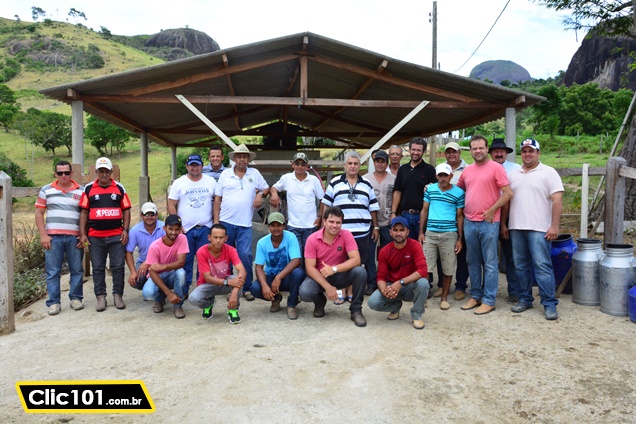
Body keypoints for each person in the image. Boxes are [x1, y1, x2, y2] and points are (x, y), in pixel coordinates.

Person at [508, 139, 564, 320]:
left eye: (531, 151)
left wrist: (554, 225)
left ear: (538, 153)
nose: (527, 154)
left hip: (539, 228)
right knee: (520, 266)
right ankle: (525, 298)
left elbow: (557, 200)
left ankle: (549, 303)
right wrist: (503, 223)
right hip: (516, 226)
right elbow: (506, 201)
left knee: (542, 266)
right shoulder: (513, 173)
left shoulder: (549, 172)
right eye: (524, 151)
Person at [456, 136, 512, 315]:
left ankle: (489, 299)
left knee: (490, 263)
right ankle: (475, 295)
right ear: (470, 151)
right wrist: (432, 186)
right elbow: (458, 191)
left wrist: (492, 209)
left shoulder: (496, 168)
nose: (478, 151)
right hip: (470, 222)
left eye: (481, 148)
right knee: (472, 261)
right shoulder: (467, 171)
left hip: (489, 222)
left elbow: (508, 193)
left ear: (487, 149)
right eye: (474, 148)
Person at [321, 150, 379, 300]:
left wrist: (376, 227)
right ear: (344, 165)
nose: (353, 166)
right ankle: (341, 292)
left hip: (362, 231)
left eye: (356, 164)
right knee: (339, 262)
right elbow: (326, 204)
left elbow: (372, 208)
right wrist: (324, 224)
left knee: (357, 263)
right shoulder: (334, 182)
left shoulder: (367, 184)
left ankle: (352, 291)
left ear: (360, 166)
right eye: (350, 163)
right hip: (339, 232)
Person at [214, 144, 269, 301]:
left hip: (245, 224)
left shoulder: (254, 173)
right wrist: (216, 222)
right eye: (239, 156)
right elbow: (217, 198)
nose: (242, 159)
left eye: (244, 157)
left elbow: (266, 188)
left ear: (248, 159)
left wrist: (259, 195)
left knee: (245, 255)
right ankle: (229, 287)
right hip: (225, 222)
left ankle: (246, 287)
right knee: (225, 256)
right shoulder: (225, 174)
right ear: (234, 159)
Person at [299, 206, 368, 327]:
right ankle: (320, 302)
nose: (334, 225)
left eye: (338, 222)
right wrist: (328, 287)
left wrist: (334, 269)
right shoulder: (312, 239)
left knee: (360, 272)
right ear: (324, 221)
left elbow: (356, 259)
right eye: (331, 221)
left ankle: (356, 310)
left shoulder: (346, 235)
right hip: (320, 275)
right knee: (305, 292)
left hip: (339, 274)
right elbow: (310, 267)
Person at [79, 157, 131, 312]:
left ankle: (118, 295)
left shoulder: (120, 188)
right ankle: (100, 297)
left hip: (116, 235)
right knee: (98, 268)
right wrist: (83, 234)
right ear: (96, 172)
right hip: (95, 236)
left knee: (118, 266)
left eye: (106, 171)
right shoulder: (88, 189)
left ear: (111, 172)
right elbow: (84, 212)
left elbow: (126, 210)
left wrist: (125, 230)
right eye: (101, 171)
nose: (104, 174)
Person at [35, 160, 85, 315]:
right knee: (53, 271)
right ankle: (54, 302)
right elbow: (39, 213)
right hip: (53, 237)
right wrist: (43, 235)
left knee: (77, 269)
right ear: (55, 174)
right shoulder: (46, 190)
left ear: (71, 173)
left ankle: (76, 298)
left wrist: (83, 235)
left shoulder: (81, 191)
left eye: (67, 172)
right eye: (60, 173)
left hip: (74, 237)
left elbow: (85, 214)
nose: (64, 175)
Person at [368, 216, 430, 329]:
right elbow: (380, 277)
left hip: (409, 287)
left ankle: (416, 315)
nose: (399, 233)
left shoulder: (415, 245)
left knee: (423, 283)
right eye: (395, 230)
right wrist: (384, 290)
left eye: (402, 230)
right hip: (392, 287)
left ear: (408, 232)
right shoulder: (384, 251)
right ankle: (395, 307)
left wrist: (400, 282)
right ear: (390, 232)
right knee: (373, 302)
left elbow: (423, 270)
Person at [167, 153, 216, 298]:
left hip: (205, 227)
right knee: (185, 261)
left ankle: (202, 289)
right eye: (192, 165)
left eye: (198, 165)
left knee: (204, 261)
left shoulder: (211, 181)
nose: (195, 168)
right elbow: (171, 204)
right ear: (187, 166)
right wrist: (177, 226)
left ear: (202, 166)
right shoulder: (179, 182)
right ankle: (184, 290)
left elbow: (218, 201)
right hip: (185, 230)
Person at [418, 163, 464, 310]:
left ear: (451, 176)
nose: (443, 178)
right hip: (431, 233)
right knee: (425, 267)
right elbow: (424, 211)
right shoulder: (430, 190)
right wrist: (421, 232)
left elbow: (460, 216)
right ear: (436, 176)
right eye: (440, 175)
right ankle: (423, 297)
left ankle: (444, 297)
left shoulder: (459, 192)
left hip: (449, 234)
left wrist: (459, 238)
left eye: (446, 175)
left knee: (448, 267)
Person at [250, 212, 305, 320]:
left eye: (279, 225)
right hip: (271, 275)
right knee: (255, 288)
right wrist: (265, 286)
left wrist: (278, 277)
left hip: (287, 276)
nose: (276, 228)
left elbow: (296, 260)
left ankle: (292, 305)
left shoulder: (290, 237)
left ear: (284, 226)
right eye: (273, 225)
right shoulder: (262, 242)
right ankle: (276, 298)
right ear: (268, 226)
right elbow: (258, 267)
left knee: (298, 273)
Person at [189, 224, 247, 324]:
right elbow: (207, 278)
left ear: (226, 238)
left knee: (238, 277)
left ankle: (233, 310)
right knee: (193, 298)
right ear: (209, 238)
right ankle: (208, 304)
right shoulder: (201, 251)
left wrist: (234, 292)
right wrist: (228, 282)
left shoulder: (230, 250)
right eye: (215, 237)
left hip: (226, 282)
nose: (218, 240)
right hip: (208, 284)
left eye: (221, 237)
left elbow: (242, 271)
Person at [269, 152, 324, 258]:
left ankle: (308, 274)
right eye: (297, 163)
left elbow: (322, 199)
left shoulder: (314, 180)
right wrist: (274, 194)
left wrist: (320, 217)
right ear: (292, 164)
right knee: (296, 256)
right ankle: (297, 275)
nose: (300, 166)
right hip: (293, 225)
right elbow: (274, 187)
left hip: (311, 225)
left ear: (307, 166)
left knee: (309, 256)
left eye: (303, 164)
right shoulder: (286, 178)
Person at [489, 138, 522, 304]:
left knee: (511, 255)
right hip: (488, 215)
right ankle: (486, 291)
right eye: (495, 151)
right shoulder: (485, 168)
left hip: (510, 215)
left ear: (507, 153)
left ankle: (514, 290)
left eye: (502, 151)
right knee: (488, 257)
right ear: (491, 153)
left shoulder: (516, 169)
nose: (499, 153)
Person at [437, 141, 469, 300]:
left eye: (454, 152)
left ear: (459, 153)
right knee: (442, 254)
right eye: (448, 152)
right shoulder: (441, 168)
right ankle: (442, 285)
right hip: (443, 217)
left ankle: (461, 286)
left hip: (461, 215)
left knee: (461, 252)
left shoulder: (468, 169)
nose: (451, 154)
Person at [363, 150, 395, 295]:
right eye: (377, 161)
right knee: (369, 254)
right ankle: (371, 282)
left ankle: (386, 280)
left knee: (387, 254)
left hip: (388, 221)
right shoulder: (365, 179)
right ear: (374, 162)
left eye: (382, 161)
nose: (380, 164)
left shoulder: (394, 179)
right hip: (369, 223)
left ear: (386, 163)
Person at [391, 137, 437, 240]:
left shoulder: (429, 169)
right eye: (413, 149)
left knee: (421, 249)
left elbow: (435, 193)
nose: (415, 152)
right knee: (405, 249)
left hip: (421, 217)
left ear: (423, 152)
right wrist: (393, 213)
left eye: (418, 150)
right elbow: (397, 191)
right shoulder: (403, 169)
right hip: (404, 215)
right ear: (409, 150)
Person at [146, 214, 189, 319]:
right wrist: (169, 293)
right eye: (170, 229)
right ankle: (159, 299)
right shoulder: (154, 246)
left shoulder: (182, 238)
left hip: (171, 274)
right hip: (157, 276)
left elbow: (181, 263)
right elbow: (152, 271)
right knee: (148, 293)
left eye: (177, 229)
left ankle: (178, 306)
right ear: (164, 228)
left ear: (181, 229)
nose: (174, 232)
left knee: (181, 273)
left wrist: (163, 267)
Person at [125, 202, 165, 299]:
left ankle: (160, 293)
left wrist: (148, 263)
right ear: (141, 215)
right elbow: (128, 252)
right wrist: (133, 271)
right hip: (143, 262)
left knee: (165, 275)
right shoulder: (135, 230)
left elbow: (167, 250)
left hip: (162, 261)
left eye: (152, 214)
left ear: (156, 215)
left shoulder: (164, 227)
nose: (149, 217)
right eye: (146, 214)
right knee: (136, 280)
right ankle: (152, 288)